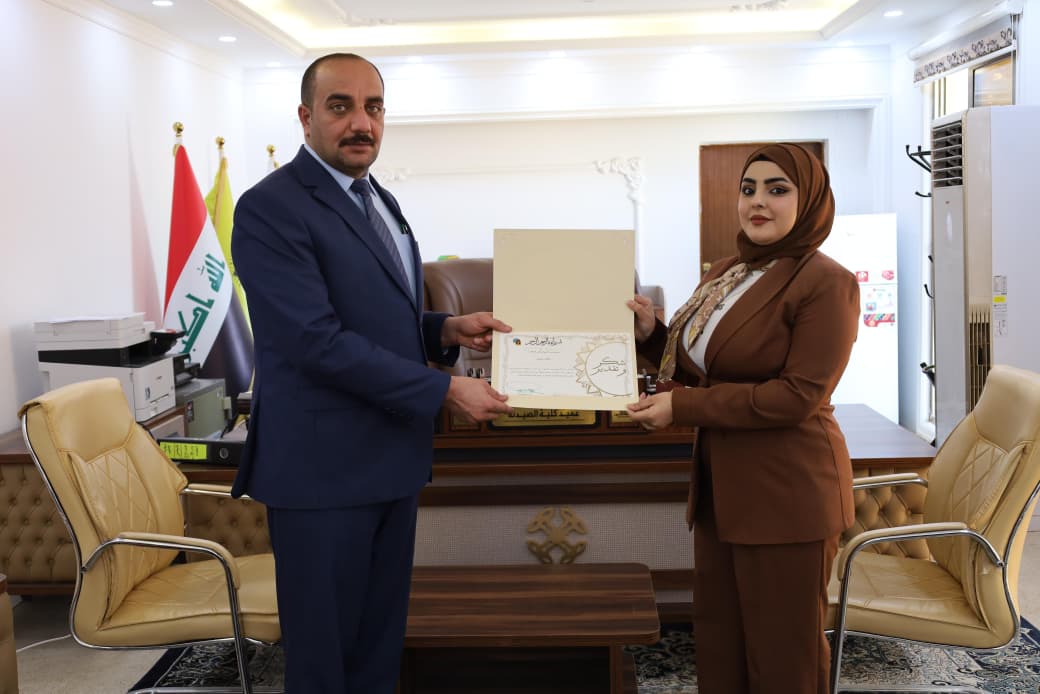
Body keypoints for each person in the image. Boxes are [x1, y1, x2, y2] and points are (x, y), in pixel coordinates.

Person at [230, 52, 513, 693]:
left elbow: (375, 315)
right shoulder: (270, 208)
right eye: (341, 106)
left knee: (378, 647)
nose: (362, 122)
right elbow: (314, 341)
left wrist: (442, 329)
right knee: (325, 661)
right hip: (321, 473)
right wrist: (444, 389)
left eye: (374, 107)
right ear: (306, 117)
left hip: (390, 460)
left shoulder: (379, 198)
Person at [626, 143, 860, 694]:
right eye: (748, 189)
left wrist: (682, 407)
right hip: (722, 491)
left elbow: (796, 396)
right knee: (722, 644)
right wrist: (652, 337)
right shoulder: (730, 270)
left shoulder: (826, 282)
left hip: (787, 492)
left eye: (778, 189)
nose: (758, 201)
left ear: (809, 201)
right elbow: (707, 365)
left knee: (784, 659)